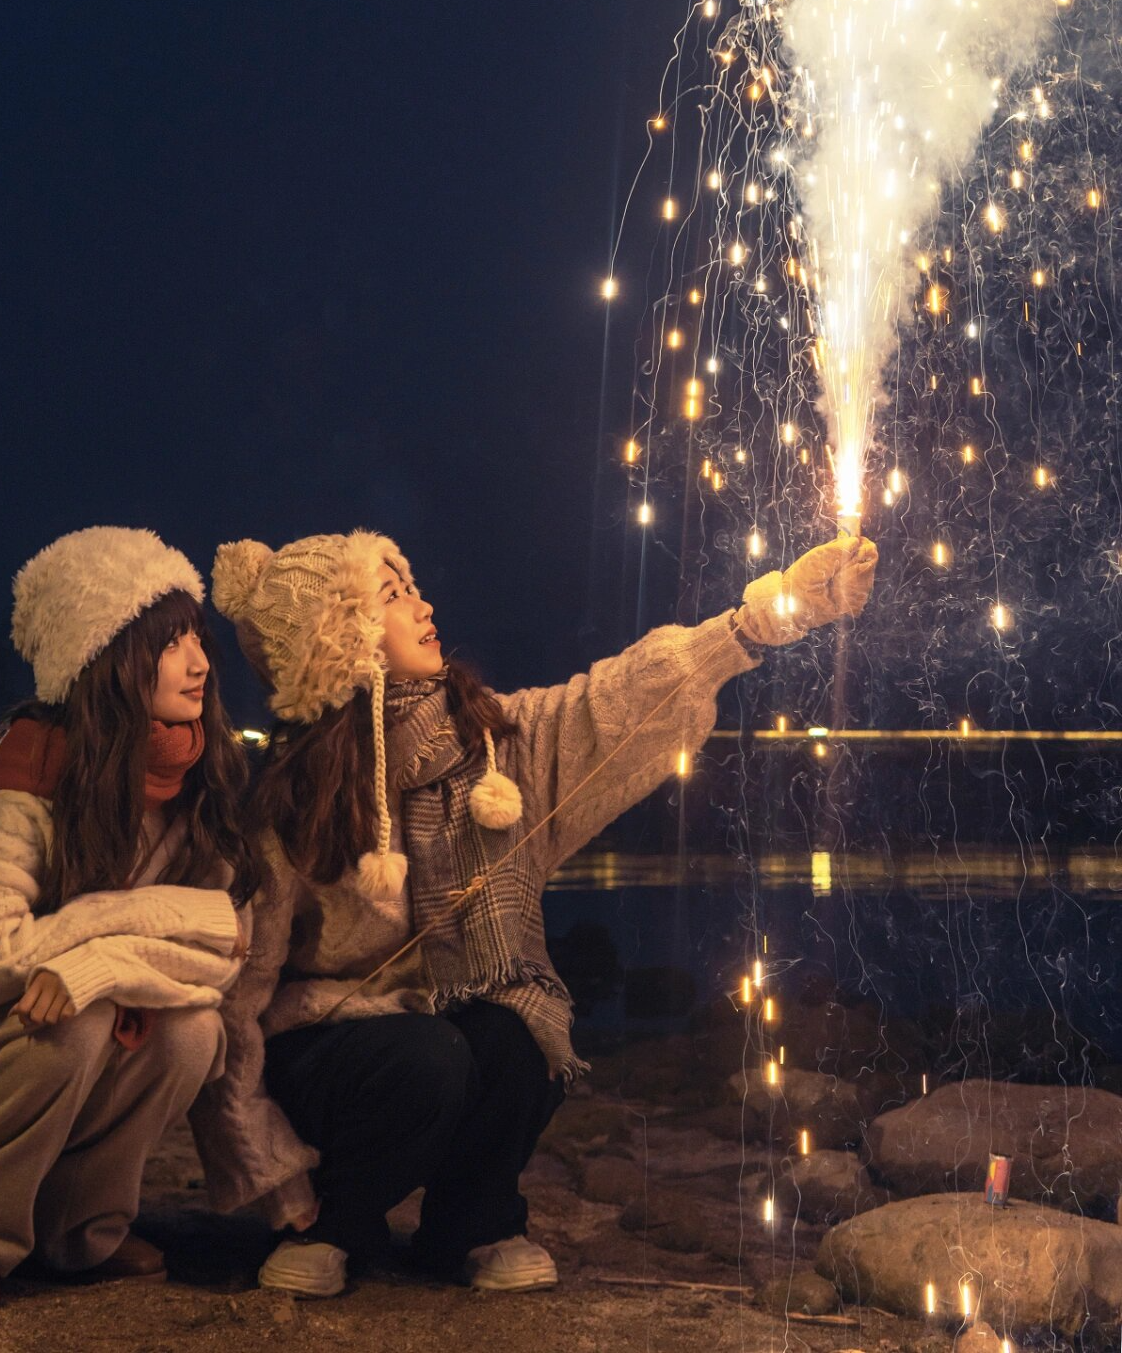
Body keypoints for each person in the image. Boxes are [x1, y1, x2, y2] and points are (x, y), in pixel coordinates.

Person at [190, 525, 877, 1298]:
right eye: (390, 596)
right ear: (337, 640)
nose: (423, 607)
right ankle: (337, 1223)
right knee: (428, 1058)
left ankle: (471, 1225)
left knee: (519, 1027)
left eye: (410, 586)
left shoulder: (491, 747)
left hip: (437, 1036)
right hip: (327, 1061)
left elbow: (610, 701)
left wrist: (765, 617)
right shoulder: (292, 805)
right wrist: (269, 1170)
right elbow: (237, 1000)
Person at [0, 526, 261, 1308]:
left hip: (65, 1036)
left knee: (192, 1030)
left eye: (198, 638)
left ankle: (77, 1229)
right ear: (103, 657)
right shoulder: (23, 790)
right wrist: (148, 920)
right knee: (71, 1022)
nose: (201, 662)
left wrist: (97, 961)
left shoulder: (192, 791)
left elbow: (223, 956)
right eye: (170, 644)